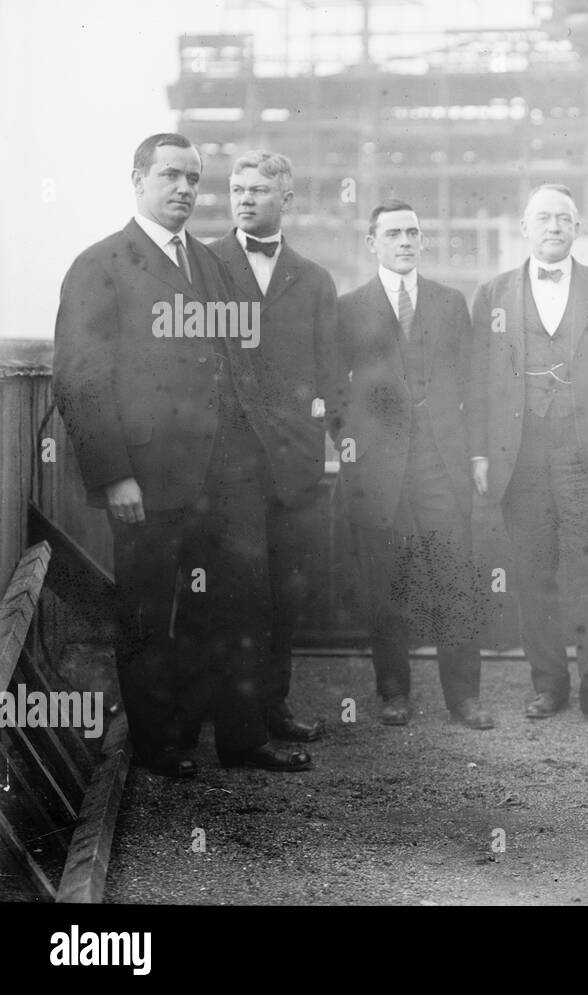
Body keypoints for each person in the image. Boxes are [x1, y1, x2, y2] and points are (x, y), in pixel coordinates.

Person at [53, 132, 310, 775]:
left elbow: (238, 362)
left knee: (240, 603)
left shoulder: (213, 262)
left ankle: (243, 740)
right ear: (137, 178)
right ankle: (159, 745)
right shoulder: (101, 264)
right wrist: (114, 476)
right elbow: (81, 379)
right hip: (148, 476)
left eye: (194, 179)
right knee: (146, 612)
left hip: (227, 477)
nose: (185, 190)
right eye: (171, 176)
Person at [467, 183, 588, 730]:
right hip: (519, 455)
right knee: (532, 573)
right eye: (542, 218)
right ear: (524, 228)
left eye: (563, 219)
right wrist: (478, 452)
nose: (552, 227)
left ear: (577, 229)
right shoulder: (493, 295)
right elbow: (478, 383)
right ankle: (548, 685)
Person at [336, 199, 492, 729]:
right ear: (372, 242)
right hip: (379, 469)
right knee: (387, 583)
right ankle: (394, 693)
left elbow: (473, 382)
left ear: (422, 241)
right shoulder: (349, 306)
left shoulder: (451, 303)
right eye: (394, 233)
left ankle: (463, 698)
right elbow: (334, 391)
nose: (405, 242)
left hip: (440, 462)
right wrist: (354, 442)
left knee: (455, 581)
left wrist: (473, 451)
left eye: (413, 233)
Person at [210, 149, 339, 743]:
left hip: (294, 467)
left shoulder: (314, 280)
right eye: (238, 188)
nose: (245, 198)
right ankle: (236, 724)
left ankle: (274, 706)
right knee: (238, 595)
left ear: (285, 197)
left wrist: (326, 443)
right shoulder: (203, 265)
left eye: (259, 190)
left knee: (287, 591)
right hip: (226, 467)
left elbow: (330, 375)